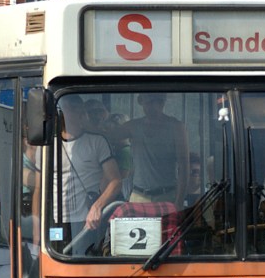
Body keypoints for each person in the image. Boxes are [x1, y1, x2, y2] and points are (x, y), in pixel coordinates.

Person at [53, 95, 122, 252]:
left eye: (77, 109)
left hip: (87, 219)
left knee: (82, 264)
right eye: (67, 109)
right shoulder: (48, 145)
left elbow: (115, 180)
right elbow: (39, 187)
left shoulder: (97, 142)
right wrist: (38, 224)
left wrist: (97, 207)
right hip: (55, 219)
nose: (72, 114)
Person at [111, 93, 188, 208]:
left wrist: (179, 202)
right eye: (150, 102)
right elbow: (107, 138)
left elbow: (184, 167)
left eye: (159, 101)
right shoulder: (133, 126)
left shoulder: (176, 127)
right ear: (141, 101)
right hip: (138, 196)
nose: (155, 106)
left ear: (163, 102)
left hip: (167, 196)